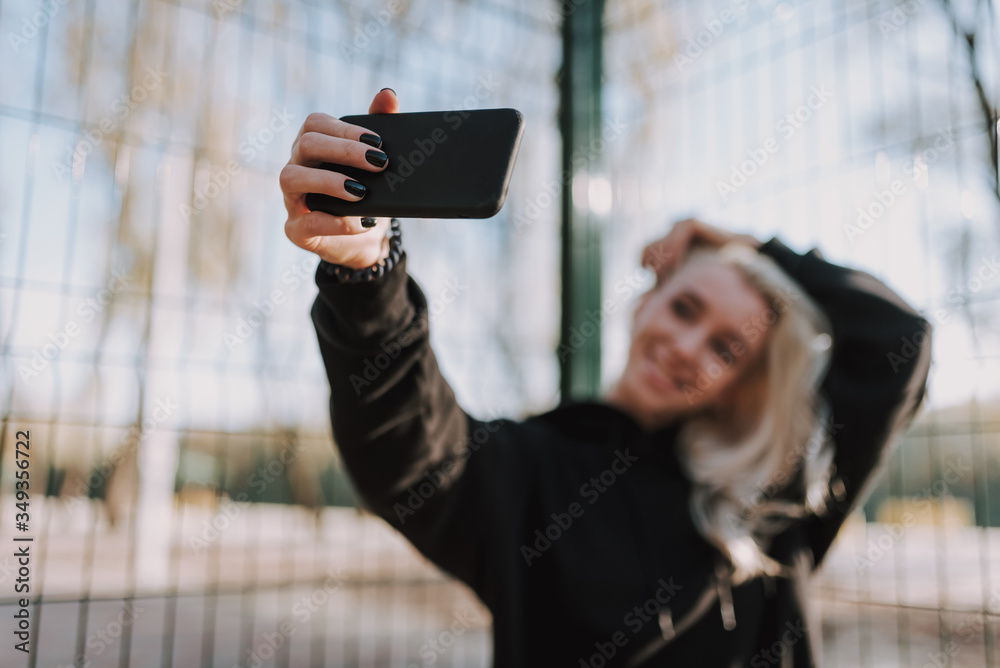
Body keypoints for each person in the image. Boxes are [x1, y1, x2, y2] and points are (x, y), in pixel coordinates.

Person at [281, 88, 934, 667]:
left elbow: (897, 341)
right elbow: (412, 450)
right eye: (684, 307)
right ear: (645, 301)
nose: (685, 347)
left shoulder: (773, 491)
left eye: (727, 349)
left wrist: (743, 244)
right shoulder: (529, 473)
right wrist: (368, 275)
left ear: (742, 383)